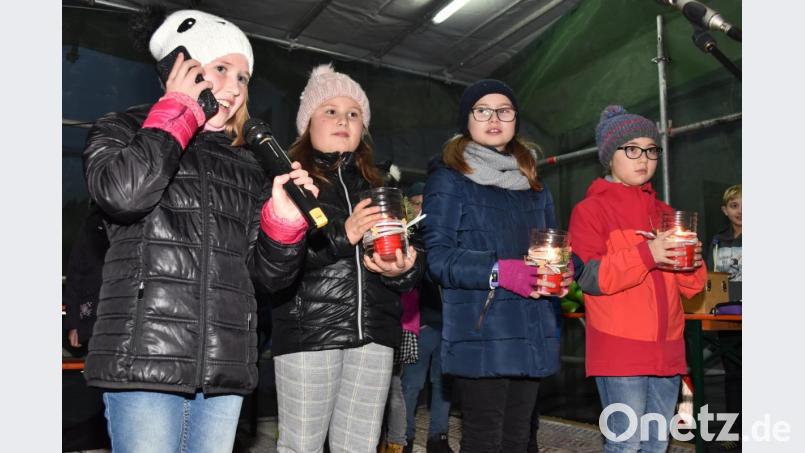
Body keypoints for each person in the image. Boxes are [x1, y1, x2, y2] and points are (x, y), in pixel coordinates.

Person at [82, 10, 316, 453]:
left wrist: (283, 222)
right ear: (181, 67)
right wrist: (178, 111)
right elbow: (124, 196)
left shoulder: (249, 164)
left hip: (224, 365)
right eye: (221, 69)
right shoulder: (123, 129)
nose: (233, 87)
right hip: (144, 359)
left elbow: (269, 278)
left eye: (243, 77)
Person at [270, 63, 424, 453]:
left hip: (373, 335)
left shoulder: (381, 188)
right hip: (310, 332)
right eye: (331, 111)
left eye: (354, 114)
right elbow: (278, 261)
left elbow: (410, 258)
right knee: (300, 446)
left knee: (358, 447)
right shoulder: (289, 181)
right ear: (308, 123)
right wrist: (346, 233)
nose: (344, 120)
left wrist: (404, 268)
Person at [422, 79, 570, 453]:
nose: (494, 118)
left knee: (520, 440)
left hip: (533, 326)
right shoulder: (449, 179)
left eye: (504, 110)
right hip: (481, 329)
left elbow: (550, 245)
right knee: (485, 441)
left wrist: (565, 268)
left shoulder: (535, 186)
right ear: (466, 120)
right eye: (482, 110)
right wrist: (501, 270)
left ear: (515, 120)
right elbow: (437, 259)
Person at [568, 105, 707, 452]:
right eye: (631, 149)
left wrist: (693, 261)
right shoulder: (590, 211)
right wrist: (649, 254)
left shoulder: (666, 213)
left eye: (650, 149)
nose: (643, 158)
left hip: (669, 349)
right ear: (608, 156)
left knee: (657, 445)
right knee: (625, 444)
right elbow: (590, 278)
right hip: (620, 348)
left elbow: (691, 290)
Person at [398, 181, 454, 453]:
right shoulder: (404, 236)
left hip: (447, 323)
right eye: (416, 202)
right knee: (411, 384)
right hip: (418, 323)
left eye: (425, 202)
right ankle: (405, 438)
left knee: (443, 385)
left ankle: (438, 438)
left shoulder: (443, 236)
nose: (422, 208)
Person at [706, 184, 742, 445]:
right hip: (727, 316)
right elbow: (709, 277)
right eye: (734, 205)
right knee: (733, 376)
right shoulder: (717, 240)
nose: (741, 211)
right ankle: (733, 432)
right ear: (725, 210)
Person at [63, 202, 109, 350]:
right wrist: (73, 324)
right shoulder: (90, 227)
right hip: (93, 322)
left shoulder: (141, 224)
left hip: (131, 319)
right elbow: (75, 276)